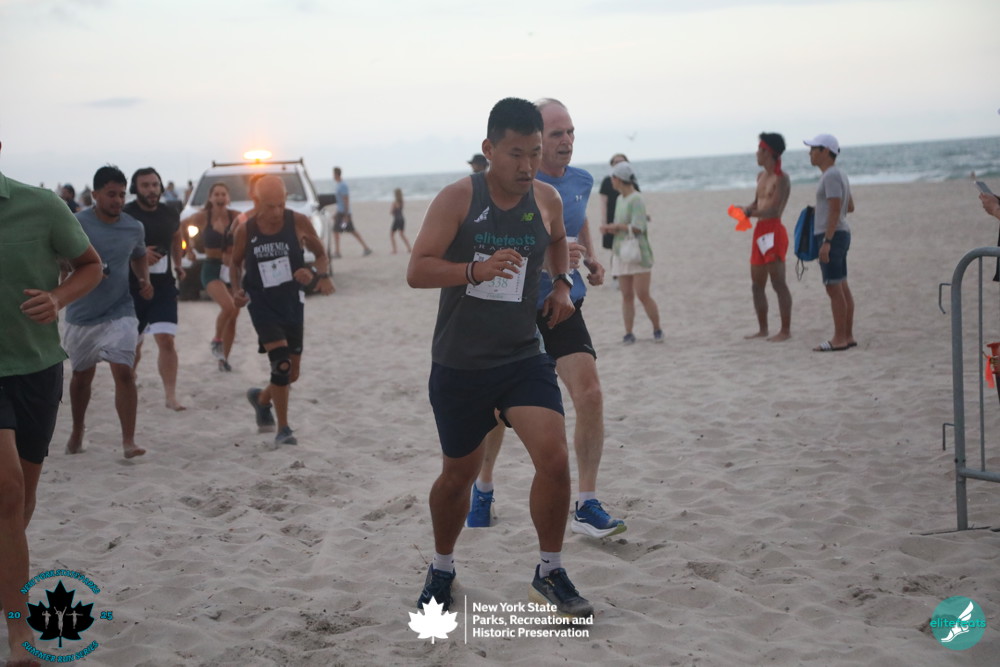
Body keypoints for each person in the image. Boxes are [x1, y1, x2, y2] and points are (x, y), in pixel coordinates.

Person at [407, 97, 592, 619]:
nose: (528, 165)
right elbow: (417, 270)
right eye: (516, 154)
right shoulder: (458, 199)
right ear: (489, 149)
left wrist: (561, 283)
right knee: (457, 478)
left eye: (534, 152)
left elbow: (558, 239)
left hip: (521, 355)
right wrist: (474, 269)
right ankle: (442, 567)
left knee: (553, 458)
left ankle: (549, 571)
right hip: (461, 362)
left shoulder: (545, 198)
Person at [466, 98, 626, 541]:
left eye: (570, 132)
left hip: (562, 302)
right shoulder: (512, 186)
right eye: (556, 134)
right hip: (511, 309)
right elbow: (490, 251)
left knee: (590, 394)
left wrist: (588, 260)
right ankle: (483, 488)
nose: (566, 141)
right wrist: (549, 257)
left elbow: (576, 220)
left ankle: (587, 503)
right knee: (497, 412)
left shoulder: (582, 181)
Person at [0, 141, 102, 667]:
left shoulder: (41, 206)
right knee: (8, 490)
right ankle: (19, 635)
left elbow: (90, 265)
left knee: (21, 506)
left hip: (37, 368)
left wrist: (58, 298)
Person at [229, 175, 334, 446]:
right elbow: (235, 264)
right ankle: (283, 429)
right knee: (281, 363)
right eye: (270, 206)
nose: (276, 212)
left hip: (291, 303)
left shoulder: (298, 221)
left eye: (281, 204)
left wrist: (314, 273)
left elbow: (321, 256)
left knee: (291, 374)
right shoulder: (246, 230)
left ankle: (261, 398)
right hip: (261, 303)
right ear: (256, 201)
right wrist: (236, 290)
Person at [64, 165, 153, 458]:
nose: (118, 200)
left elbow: (139, 256)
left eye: (122, 195)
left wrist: (144, 279)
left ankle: (129, 441)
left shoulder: (133, 227)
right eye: (111, 194)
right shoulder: (77, 224)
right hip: (82, 313)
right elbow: (60, 259)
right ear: (95, 194)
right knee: (81, 378)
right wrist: (85, 271)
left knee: (124, 372)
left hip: (120, 309)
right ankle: (77, 430)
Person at [124, 167, 186, 410]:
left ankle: (170, 396)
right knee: (134, 344)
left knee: (166, 340)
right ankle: (128, 382)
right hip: (133, 288)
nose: (151, 190)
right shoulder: (127, 214)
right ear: (135, 189)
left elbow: (177, 237)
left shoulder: (170, 212)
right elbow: (115, 245)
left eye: (155, 185)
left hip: (163, 286)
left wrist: (178, 264)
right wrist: (139, 254)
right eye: (145, 185)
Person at [600, 161, 663, 344]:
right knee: (626, 296)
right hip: (621, 252)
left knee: (643, 294)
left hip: (638, 253)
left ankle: (657, 329)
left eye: (613, 178)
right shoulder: (620, 199)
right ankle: (628, 333)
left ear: (619, 179)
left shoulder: (636, 199)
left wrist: (616, 227)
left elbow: (638, 227)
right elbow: (624, 225)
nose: (611, 181)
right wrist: (611, 229)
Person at [804, 134, 856, 352]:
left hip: (832, 236)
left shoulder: (831, 175)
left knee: (833, 288)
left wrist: (827, 241)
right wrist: (820, 210)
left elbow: (836, 209)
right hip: (840, 233)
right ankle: (847, 335)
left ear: (825, 151)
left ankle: (839, 338)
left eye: (813, 149)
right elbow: (849, 206)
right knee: (841, 285)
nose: (809, 153)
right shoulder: (839, 174)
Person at [738, 132, 792, 342]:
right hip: (759, 230)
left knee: (778, 282)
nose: (756, 153)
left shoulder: (782, 179)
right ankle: (763, 329)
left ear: (768, 152)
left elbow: (774, 210)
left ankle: (785, 330)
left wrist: (749, 213)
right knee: (756, 284)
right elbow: (758, 203)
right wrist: (745, 209)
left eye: (759, 150)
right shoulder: (761, 176)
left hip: (773, 230)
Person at [182, 182, 242, 370]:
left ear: (228, 198)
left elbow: (249, 233)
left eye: (223, 194)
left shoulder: (236, 216)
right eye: (216, 194)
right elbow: (183, 225)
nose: (220, 198)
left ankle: (223, 359)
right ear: (210, 198)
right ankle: (217, 340)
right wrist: (188, 248)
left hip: (232, 270)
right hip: (211, 267)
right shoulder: (203, 217)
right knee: (228, 306)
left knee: (233, 315)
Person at [330, 166, 372, 258]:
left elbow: (346, 200)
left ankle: (365, 248)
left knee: (349, 230)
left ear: (336, 174)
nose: (332, 176)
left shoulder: (343, 185)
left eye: (333, 174)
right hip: (340, 213)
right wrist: (336, 213)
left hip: (344, 214)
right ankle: (338, 251)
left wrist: (346, 215)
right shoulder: (338, 185)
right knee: (338, 231)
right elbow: (340, 202)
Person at [598, 153, 631, 252]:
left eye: (622, 162)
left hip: (628, 219)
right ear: (612, 164)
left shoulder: (631, 181)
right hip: (611, 218)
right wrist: (604, 222)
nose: (619, 164)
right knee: (614, 249)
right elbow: (603, 203)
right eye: (616, 162)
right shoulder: (607, 181)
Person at [389, 187, 412, 254]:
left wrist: (393, 211)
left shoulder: (394, 203)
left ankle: (394, 250)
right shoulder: (402, 202)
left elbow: (391, 212)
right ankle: (409, 248)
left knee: (392, 234)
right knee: (402, 234)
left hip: (397, 219)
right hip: (402, 219)